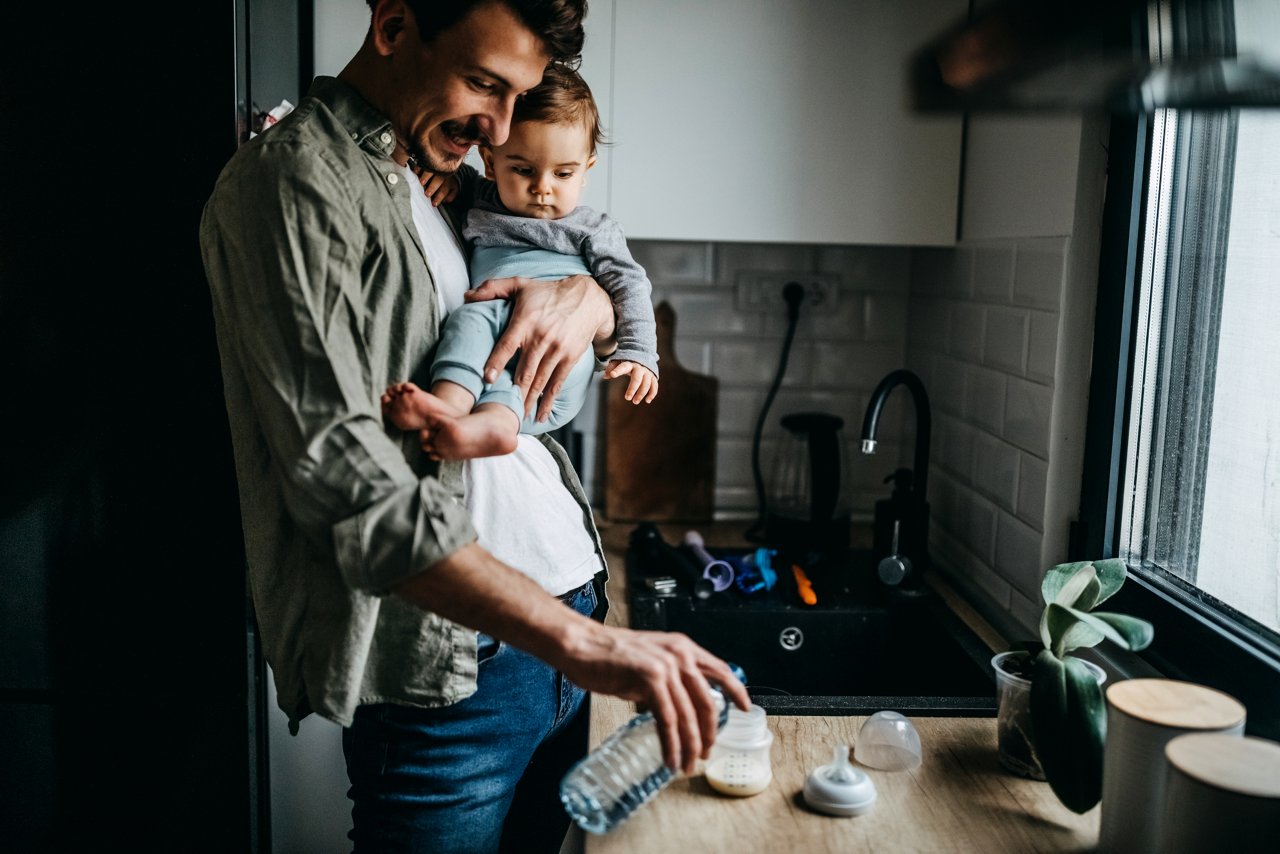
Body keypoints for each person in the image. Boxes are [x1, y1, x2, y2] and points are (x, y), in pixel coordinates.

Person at [198, 1, 749, 852]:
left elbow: (558, 270)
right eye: (483, 83)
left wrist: (593, 300)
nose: (498, 128)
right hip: (458, 675)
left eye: (518, 96)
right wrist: (582, 642)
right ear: (392, 28)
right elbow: (351, 488)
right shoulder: (294, 180)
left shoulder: (442, 175)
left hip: (564, 617)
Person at [382, 62, 658, 461]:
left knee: (475, 317)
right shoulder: (482, 197)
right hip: (504, 362)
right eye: (523, 170)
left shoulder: (592, 228)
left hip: (561, 361)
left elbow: (630, 284)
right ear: (491, 163)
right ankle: (481, 425)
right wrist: (454, 182)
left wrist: (639, 352)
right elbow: (466, 184)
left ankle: (447, 406)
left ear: (586, 172)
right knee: (490, 357)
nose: (542, 188)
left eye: (563, 173)